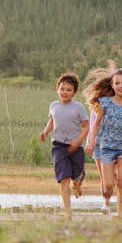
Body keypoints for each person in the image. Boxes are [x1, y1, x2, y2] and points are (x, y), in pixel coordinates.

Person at [83, 67, 122, 218]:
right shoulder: (105, 102)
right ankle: (107, 203)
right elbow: (95, 125)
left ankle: (120, 214)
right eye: (117, 83)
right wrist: (90, 142)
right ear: (112, 85)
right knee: (108, 184)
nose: (121, 86)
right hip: (106, 147)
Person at [38, 72, 89, 221]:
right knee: (64, 179)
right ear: (57, 89)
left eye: (68, 89)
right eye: (62, 88)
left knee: (77, 178)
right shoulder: (53, 105)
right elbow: (53, 120)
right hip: (59, 146)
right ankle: (68, 213)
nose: (65, 92)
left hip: (76, 147)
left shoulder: (79, 107)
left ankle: (78, 185)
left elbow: (86, 126)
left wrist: (78, 141)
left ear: (74, 92)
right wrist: (46, 131)